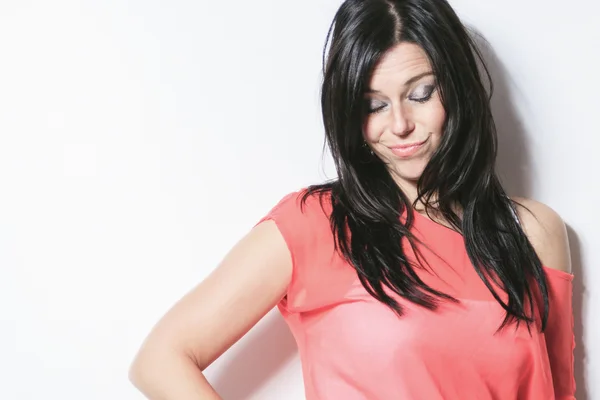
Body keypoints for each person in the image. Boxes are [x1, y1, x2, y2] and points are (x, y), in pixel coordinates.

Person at [128, 0, 576, 399]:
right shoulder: (316, 224)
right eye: (373, 105)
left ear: (458, 90)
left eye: (421, 94)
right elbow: (161, 360)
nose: (399, 124)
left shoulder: (531, 231)